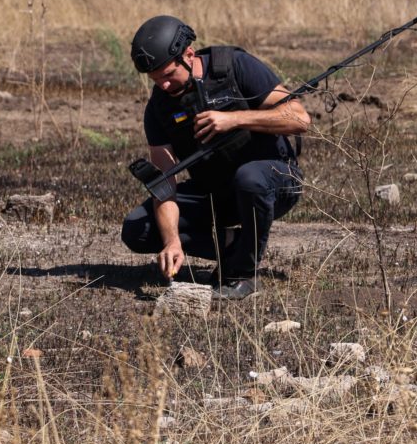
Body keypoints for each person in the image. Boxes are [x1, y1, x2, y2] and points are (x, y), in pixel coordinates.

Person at [120, 15, 310, 300]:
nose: (164, 86)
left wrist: (235, 119)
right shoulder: (158, 108)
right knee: (138, 229)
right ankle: (235, 243)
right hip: (216, 192)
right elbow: (164, 184)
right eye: (156, 80)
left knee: (249, 179)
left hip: (274, 180)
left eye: (169, 75)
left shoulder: (234, 66)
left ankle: (243, 273)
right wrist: (172, 241)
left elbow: (299, 118)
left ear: (189, 55)